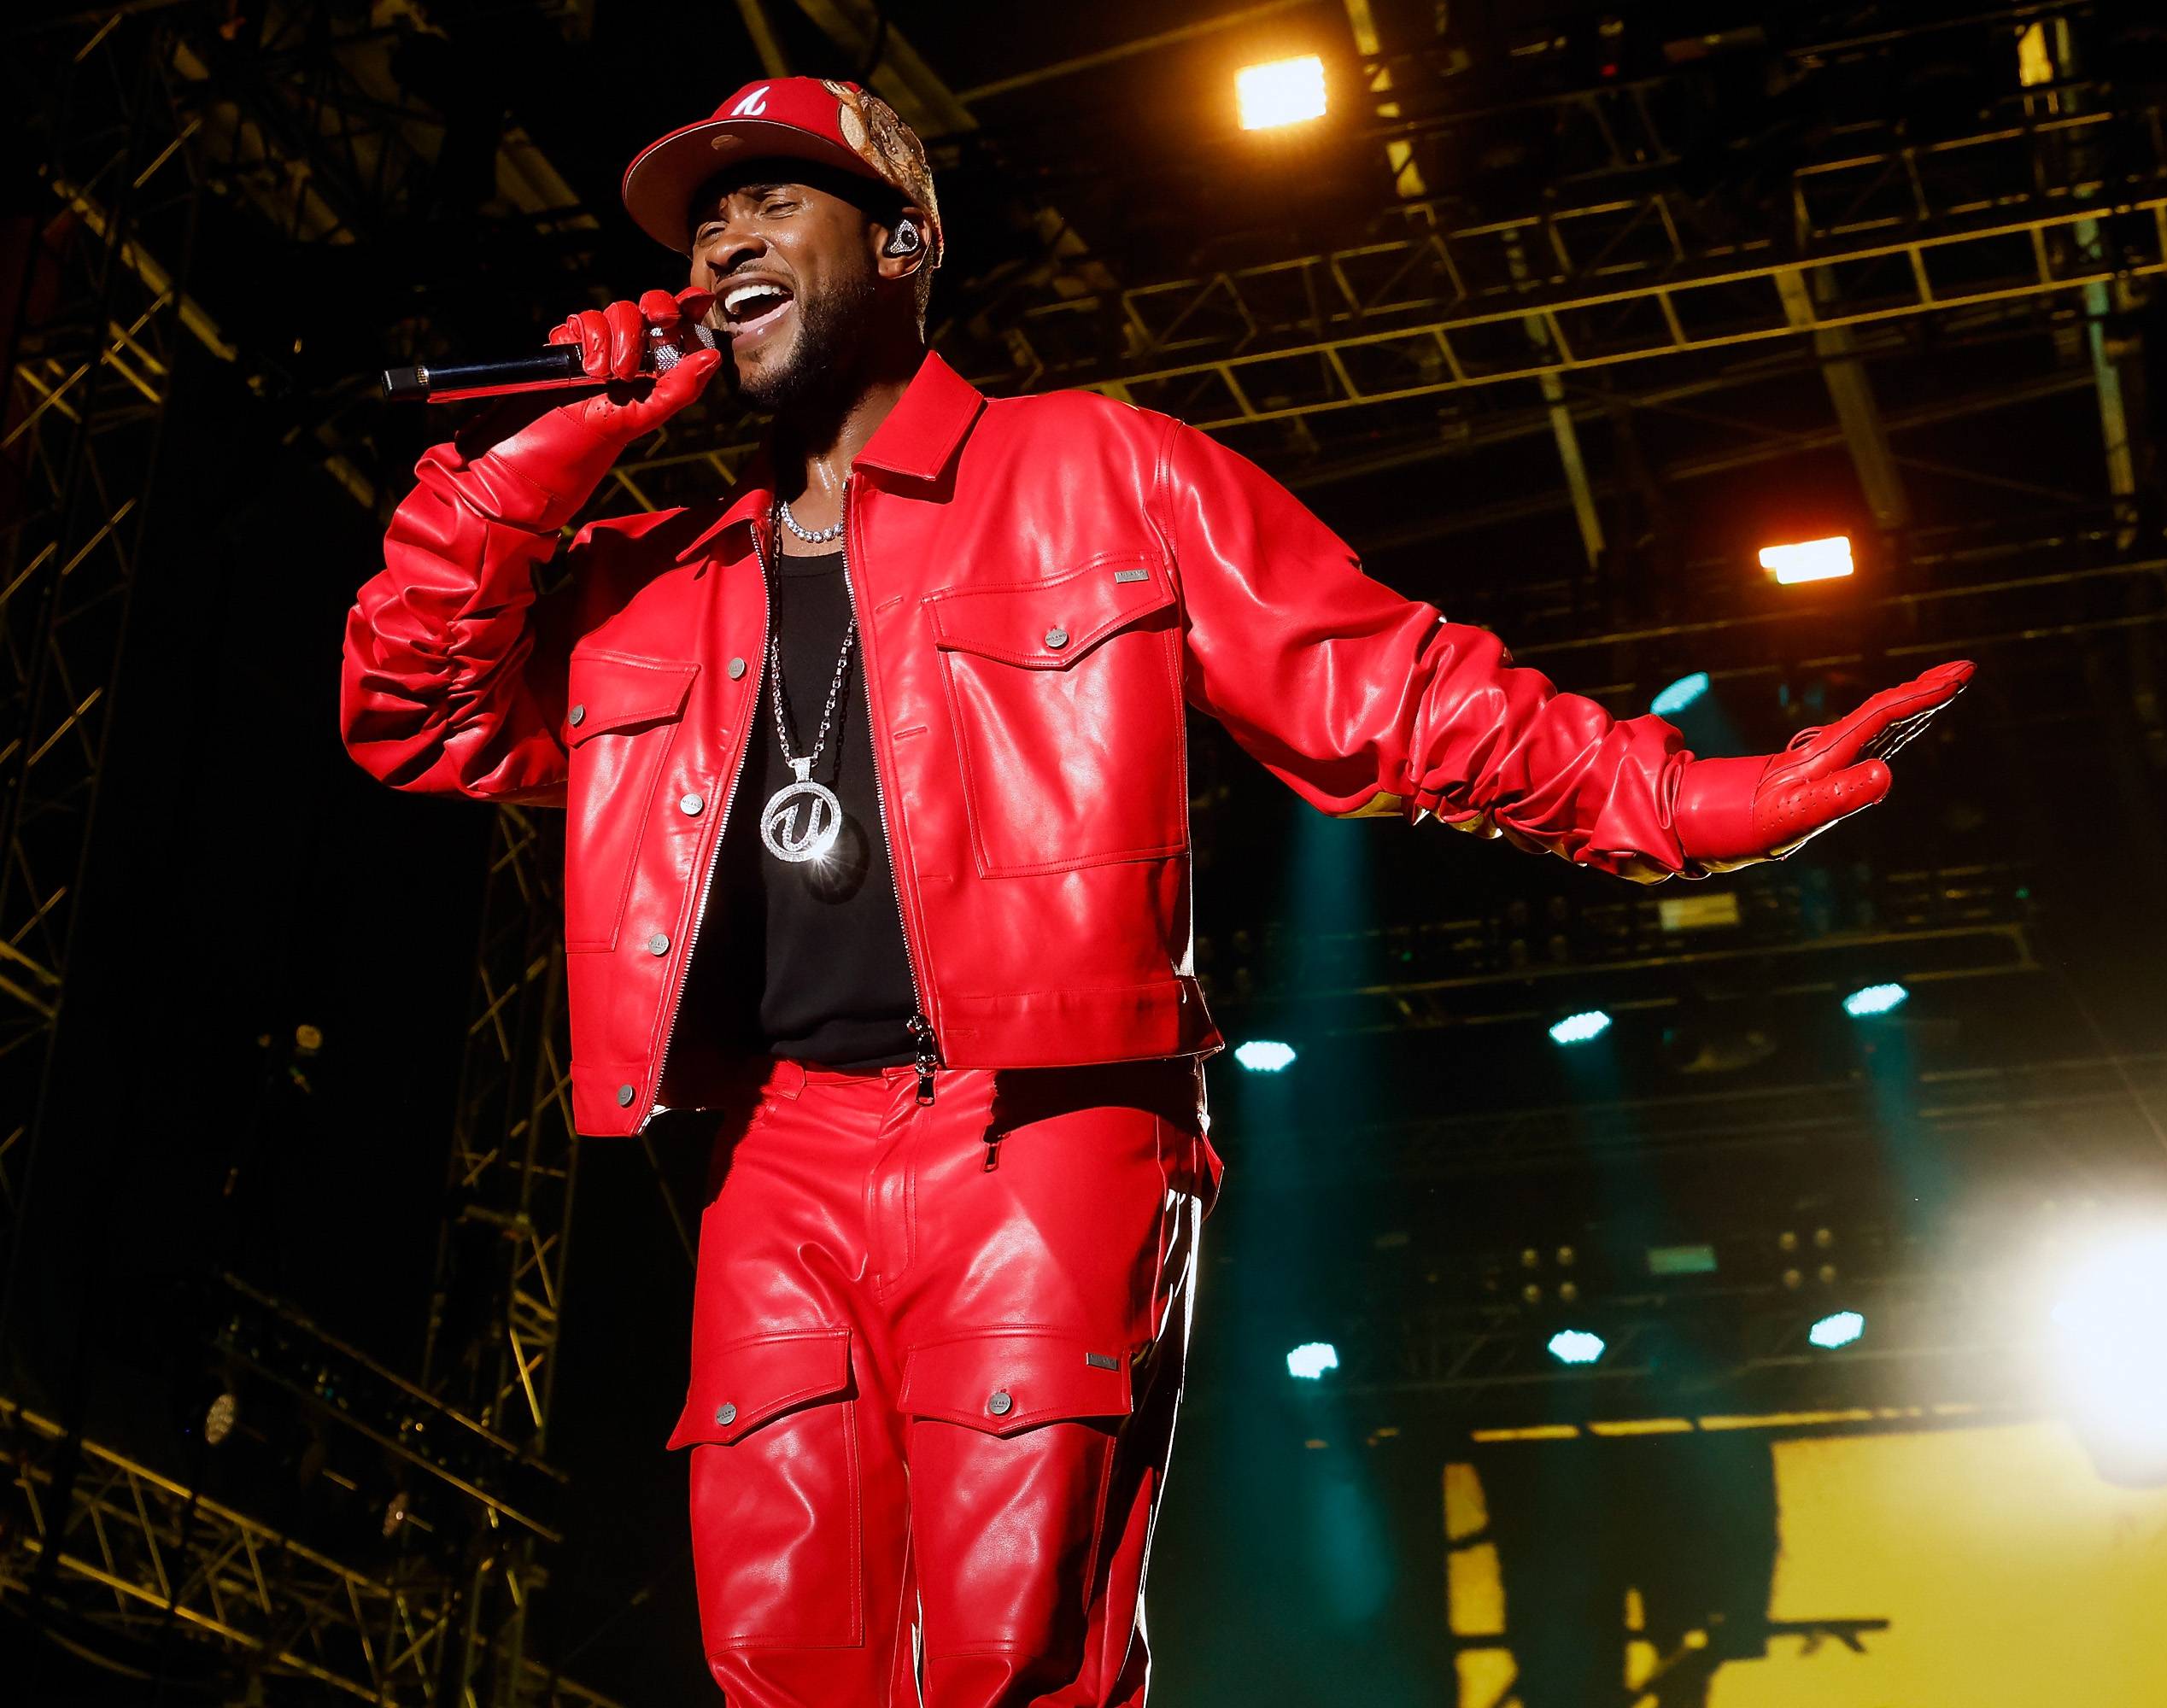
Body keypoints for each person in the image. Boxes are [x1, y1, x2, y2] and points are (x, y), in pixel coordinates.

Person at [339, 74, 1971, 1708]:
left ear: (901, 244)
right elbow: (410, 709)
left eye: (775, 201)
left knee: (1013, 1652)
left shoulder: (1101, 469)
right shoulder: (652, 577)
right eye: (706, 220)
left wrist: (1682, 801)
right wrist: (553, 447)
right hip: (770, 1151)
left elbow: (1394, 689)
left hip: (1038, 1120)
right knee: (782, 1656)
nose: (722, 243)